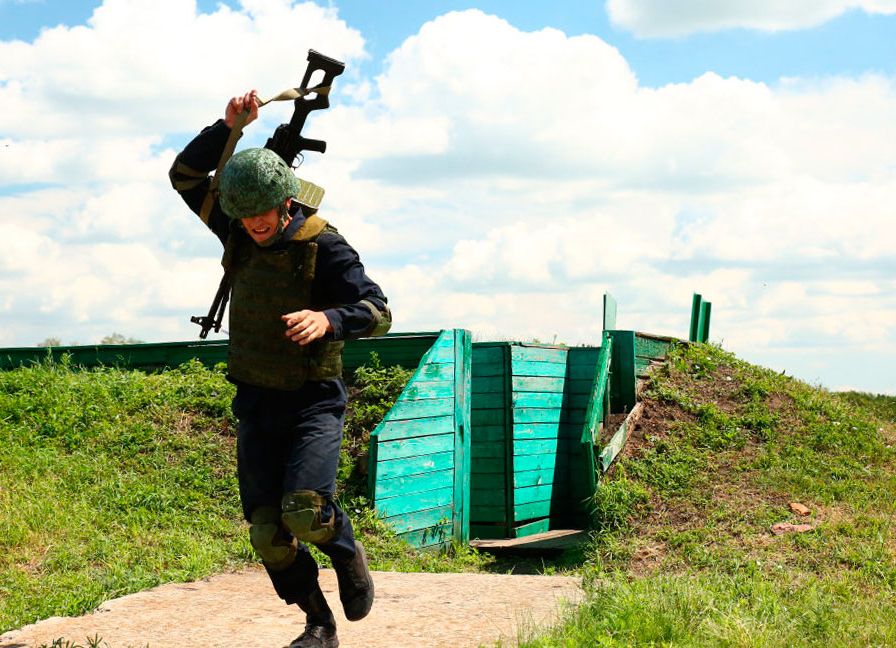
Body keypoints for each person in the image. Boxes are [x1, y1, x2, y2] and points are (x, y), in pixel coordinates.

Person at [169, 90, 391, 648]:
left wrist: (329, 319)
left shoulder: (325, 246)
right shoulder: (238, 229)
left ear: (286, 204)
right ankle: (318, 623)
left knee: (306, 513)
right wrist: (228, 129)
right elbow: (185, 177)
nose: (252, 225)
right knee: (268, 533)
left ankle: (347, 552)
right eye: (243, 216)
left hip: (314, 399)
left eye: (261, 215)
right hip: (257, 400)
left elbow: (379, 311)